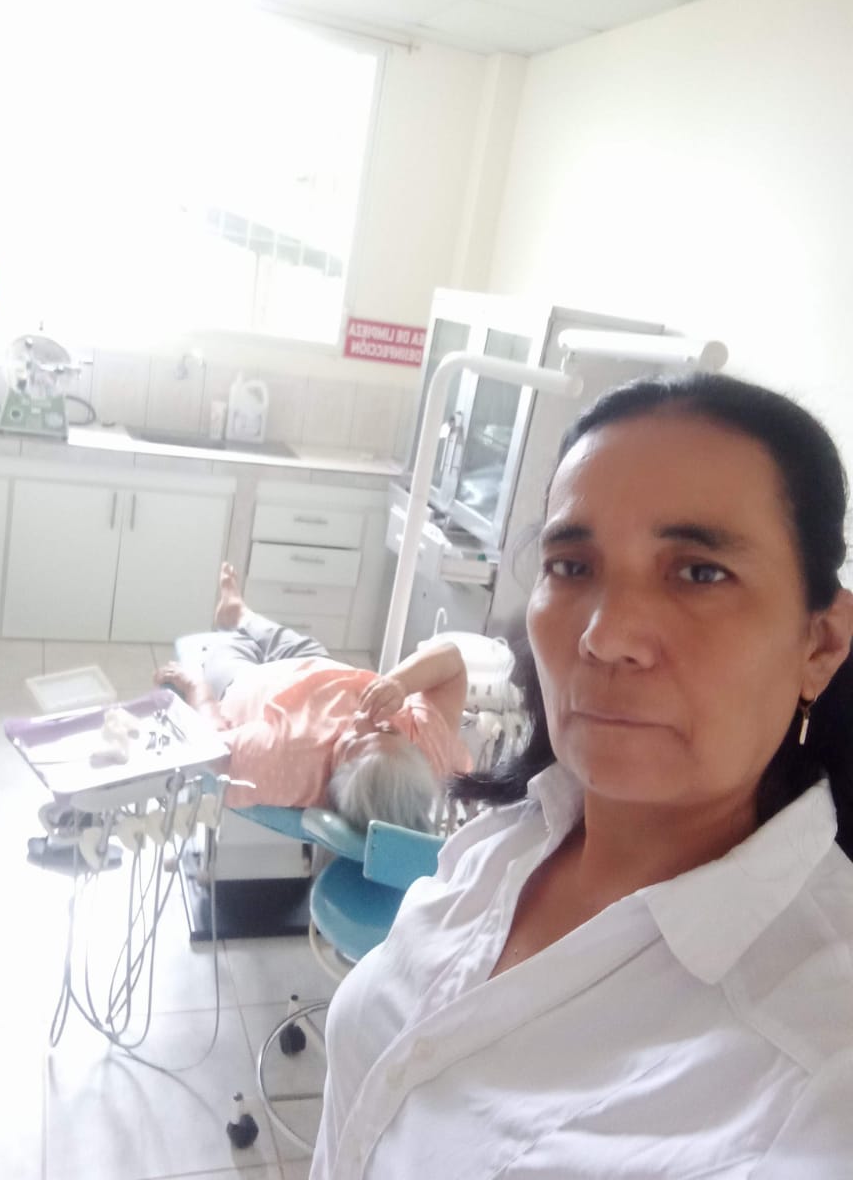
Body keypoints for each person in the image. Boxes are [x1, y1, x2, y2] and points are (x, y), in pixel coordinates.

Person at [312, 372, 853, 1179]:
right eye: (571, 566)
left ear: (821, 643)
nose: (605, 636)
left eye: (699, 573)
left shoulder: (813, 1073)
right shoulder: (505, 843)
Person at [156, 564, 471, 833]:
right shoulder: (426, 748)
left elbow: (216, 751)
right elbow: (452, 661)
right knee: (282, 638)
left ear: (336, 772)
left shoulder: (287, 757)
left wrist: (195, 687)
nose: (366, 718)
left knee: (226, 649)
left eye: (354, 740)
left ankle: (232, 626)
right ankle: (237, 611)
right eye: (388, 729)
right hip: (318, 667)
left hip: (246, 682)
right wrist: (399, 683)